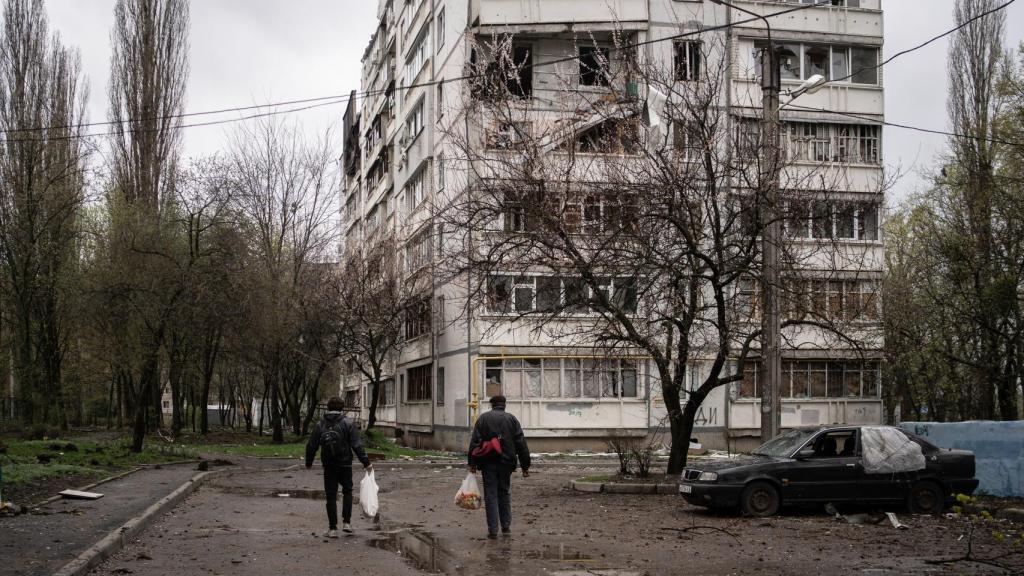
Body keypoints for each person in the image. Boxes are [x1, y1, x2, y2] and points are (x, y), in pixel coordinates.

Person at [306, 397, 372, 538]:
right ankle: (347, 523)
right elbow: (356, 445)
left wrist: (309, 462)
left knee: (331, 495)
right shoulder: (348, 423)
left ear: (328, 408)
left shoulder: (320, 424)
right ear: (342, 408)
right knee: (347, 491)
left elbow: (312, 445)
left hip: (329, 465)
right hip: (345, 464)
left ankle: (332, 529)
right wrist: (366, 462)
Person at [467, 395, 531, 539]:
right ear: (504, 405)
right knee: (504, 492)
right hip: (507, 463)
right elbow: (521, 443)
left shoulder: (483, 419)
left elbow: (475, 442)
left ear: (491, 405)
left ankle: (493, 530)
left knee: (490, 495)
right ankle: (506, 526)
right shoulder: (512, 419)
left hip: (488, 462)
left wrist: (472, 464)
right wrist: (525, 466)